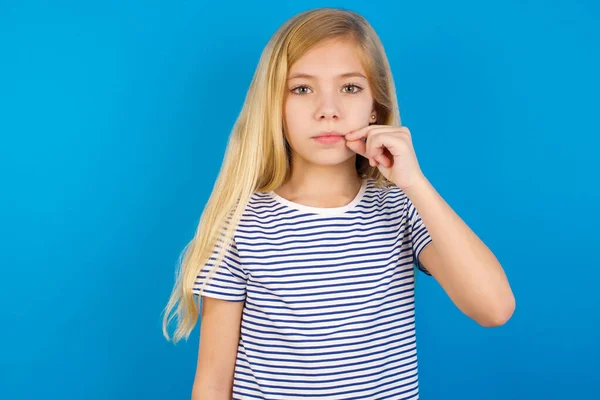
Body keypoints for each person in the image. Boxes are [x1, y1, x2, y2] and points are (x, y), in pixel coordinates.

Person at [162, 7, 515, 400]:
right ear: (274, 108)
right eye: (301, 88)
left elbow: (494, 308)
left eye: (349, 88)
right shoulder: (241, 224)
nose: (327, 109)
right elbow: (212, 381)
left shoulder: (401, 208)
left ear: (375, 107)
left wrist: (414, 182)